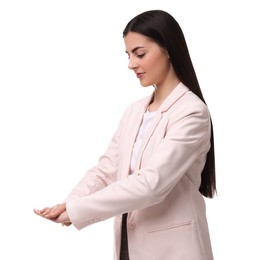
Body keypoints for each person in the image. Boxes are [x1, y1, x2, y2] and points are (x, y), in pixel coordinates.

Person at [34, 9, 216, 260]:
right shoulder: (134, 111)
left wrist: (78, 210)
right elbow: (107, 169)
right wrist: (71, 203)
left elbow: (152, 184)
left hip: (174, 250)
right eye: (128, 55)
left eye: (140, 54)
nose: (131, 64)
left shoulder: (191, 113)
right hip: (128, 247)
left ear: (168, 49)